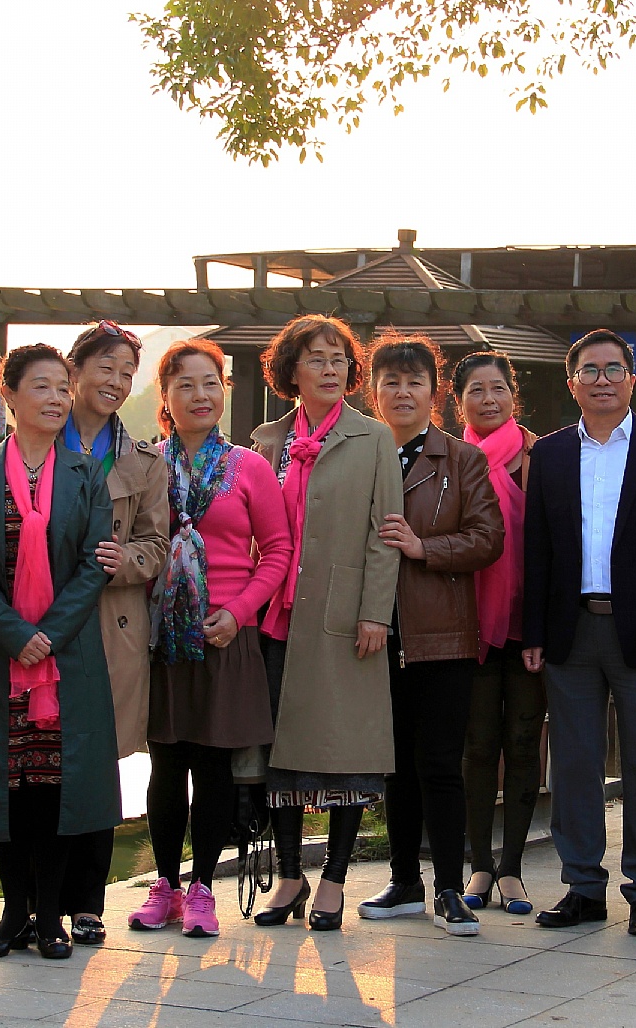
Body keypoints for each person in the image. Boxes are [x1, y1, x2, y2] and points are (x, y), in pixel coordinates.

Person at [0, 344, 121, 960]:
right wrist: (16, 634)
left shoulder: (87, 474)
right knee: (5, 781)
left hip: (66, 656)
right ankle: (15, 912)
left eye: (63, 387)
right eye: (42, 386)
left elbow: (95, 564)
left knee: (54, 781)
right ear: (8, 396)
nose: (57, 398)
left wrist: (49, 636)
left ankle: (50, 915)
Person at [523, 328, 636, 937]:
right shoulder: (549, 454)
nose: (602, 380)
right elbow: (538, 548)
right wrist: (534, 631)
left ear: (631, 378)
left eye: (614, 369)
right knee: (574, 764)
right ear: (572, 382)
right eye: (590, 370)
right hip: (570, 630)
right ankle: (582, 887)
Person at [127, 339, 291, 939]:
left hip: (224, 635)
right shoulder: (146, 465)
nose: (200, 395)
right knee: (166, 766)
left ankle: (202, 889)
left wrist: (240, 612)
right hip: (162, 639)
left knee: (215, 768)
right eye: (185, 385)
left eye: (210, 383)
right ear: (165, 396)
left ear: (224, 391)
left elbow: (278, 552)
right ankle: (165, 886)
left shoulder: (248, 466)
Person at [249, 315, 402, 932]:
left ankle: (334, 879)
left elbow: (385, 536)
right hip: (275, 616)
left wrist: (374, 612)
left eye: (339, 358)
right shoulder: (265, 442)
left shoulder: (375, 439)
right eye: (316, 358)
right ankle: (290, 876)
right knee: (279, 749)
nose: (331, 368)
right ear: (291, 370)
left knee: (346, 748)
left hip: (344, 616)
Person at [356, 335, 503, 937]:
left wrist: (424, 549)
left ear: (434, 393)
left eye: (414, 381)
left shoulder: (462, 460)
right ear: (374, 393)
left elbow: (488, 538)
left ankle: (449, 887)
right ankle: (404, 883)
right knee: (392, 765)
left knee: (440, 762)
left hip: (441, 635)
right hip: (373, 636)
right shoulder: (361, 455)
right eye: (390, 382)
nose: (403, 392)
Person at [58, 320, 170, 945]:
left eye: (128, 372)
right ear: (74, 372)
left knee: (98, 766)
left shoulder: (143, 462)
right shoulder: (35, 444)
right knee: (41, 759)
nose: (118, 382)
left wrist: (121, 560)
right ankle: (40, 901)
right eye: (106, 368)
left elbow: (158, 543)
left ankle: (87, 902)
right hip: (47, 621)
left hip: (113, 623)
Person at [453, 351, 544, 916]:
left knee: (524, 742)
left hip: (527, 624)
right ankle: (480, 865)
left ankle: (513, 868)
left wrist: (543, 625)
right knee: (479, 745)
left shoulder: (540, 456)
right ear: (458, 401)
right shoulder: (450, 458)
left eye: (498, 389)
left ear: (514, 395)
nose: (489, 399)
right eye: (476, 391)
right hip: (468, 624)